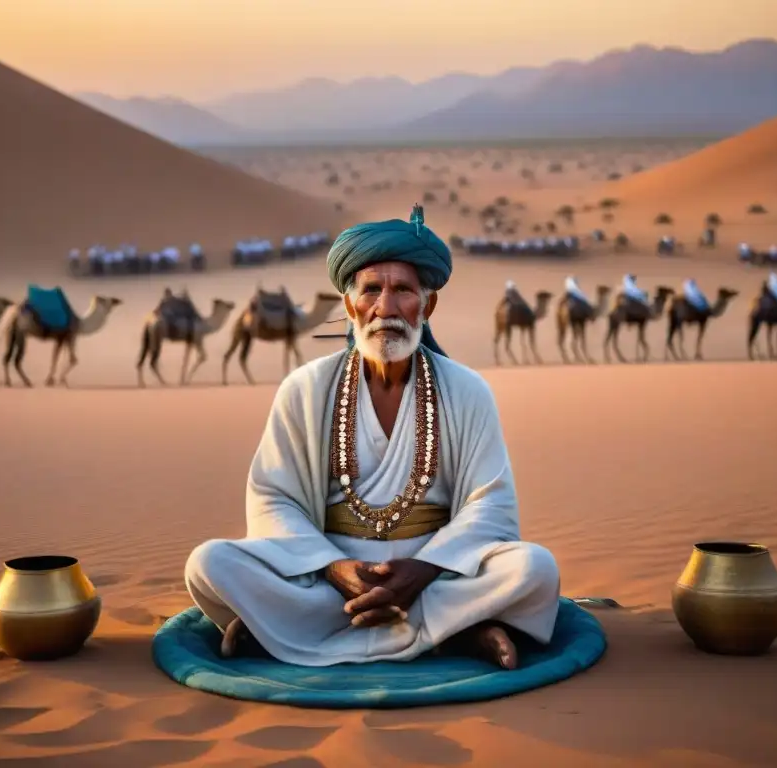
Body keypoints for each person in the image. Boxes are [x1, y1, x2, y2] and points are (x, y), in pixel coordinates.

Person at [184, 204, 560, 670]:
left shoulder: (466, 390)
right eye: (371, 290)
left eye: (403, 290)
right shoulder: (305, 389)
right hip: (327, 580)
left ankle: (283, 630)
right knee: (209, 563)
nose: (385, 308)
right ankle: (455, 630)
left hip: (437, 574)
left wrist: (424, 569)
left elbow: (490, 505)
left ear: (428, 304)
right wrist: (333, 567)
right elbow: (272, 500)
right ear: (349, 305)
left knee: (535, 568)